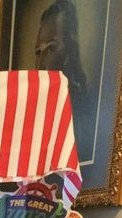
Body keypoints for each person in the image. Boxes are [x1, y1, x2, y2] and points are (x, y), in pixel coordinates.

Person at [34, 0, 94, 160]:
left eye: (51, 48)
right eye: (38, 52)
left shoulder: (80, 107)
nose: (40, 64)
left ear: (69, 50)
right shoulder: (30, 110)